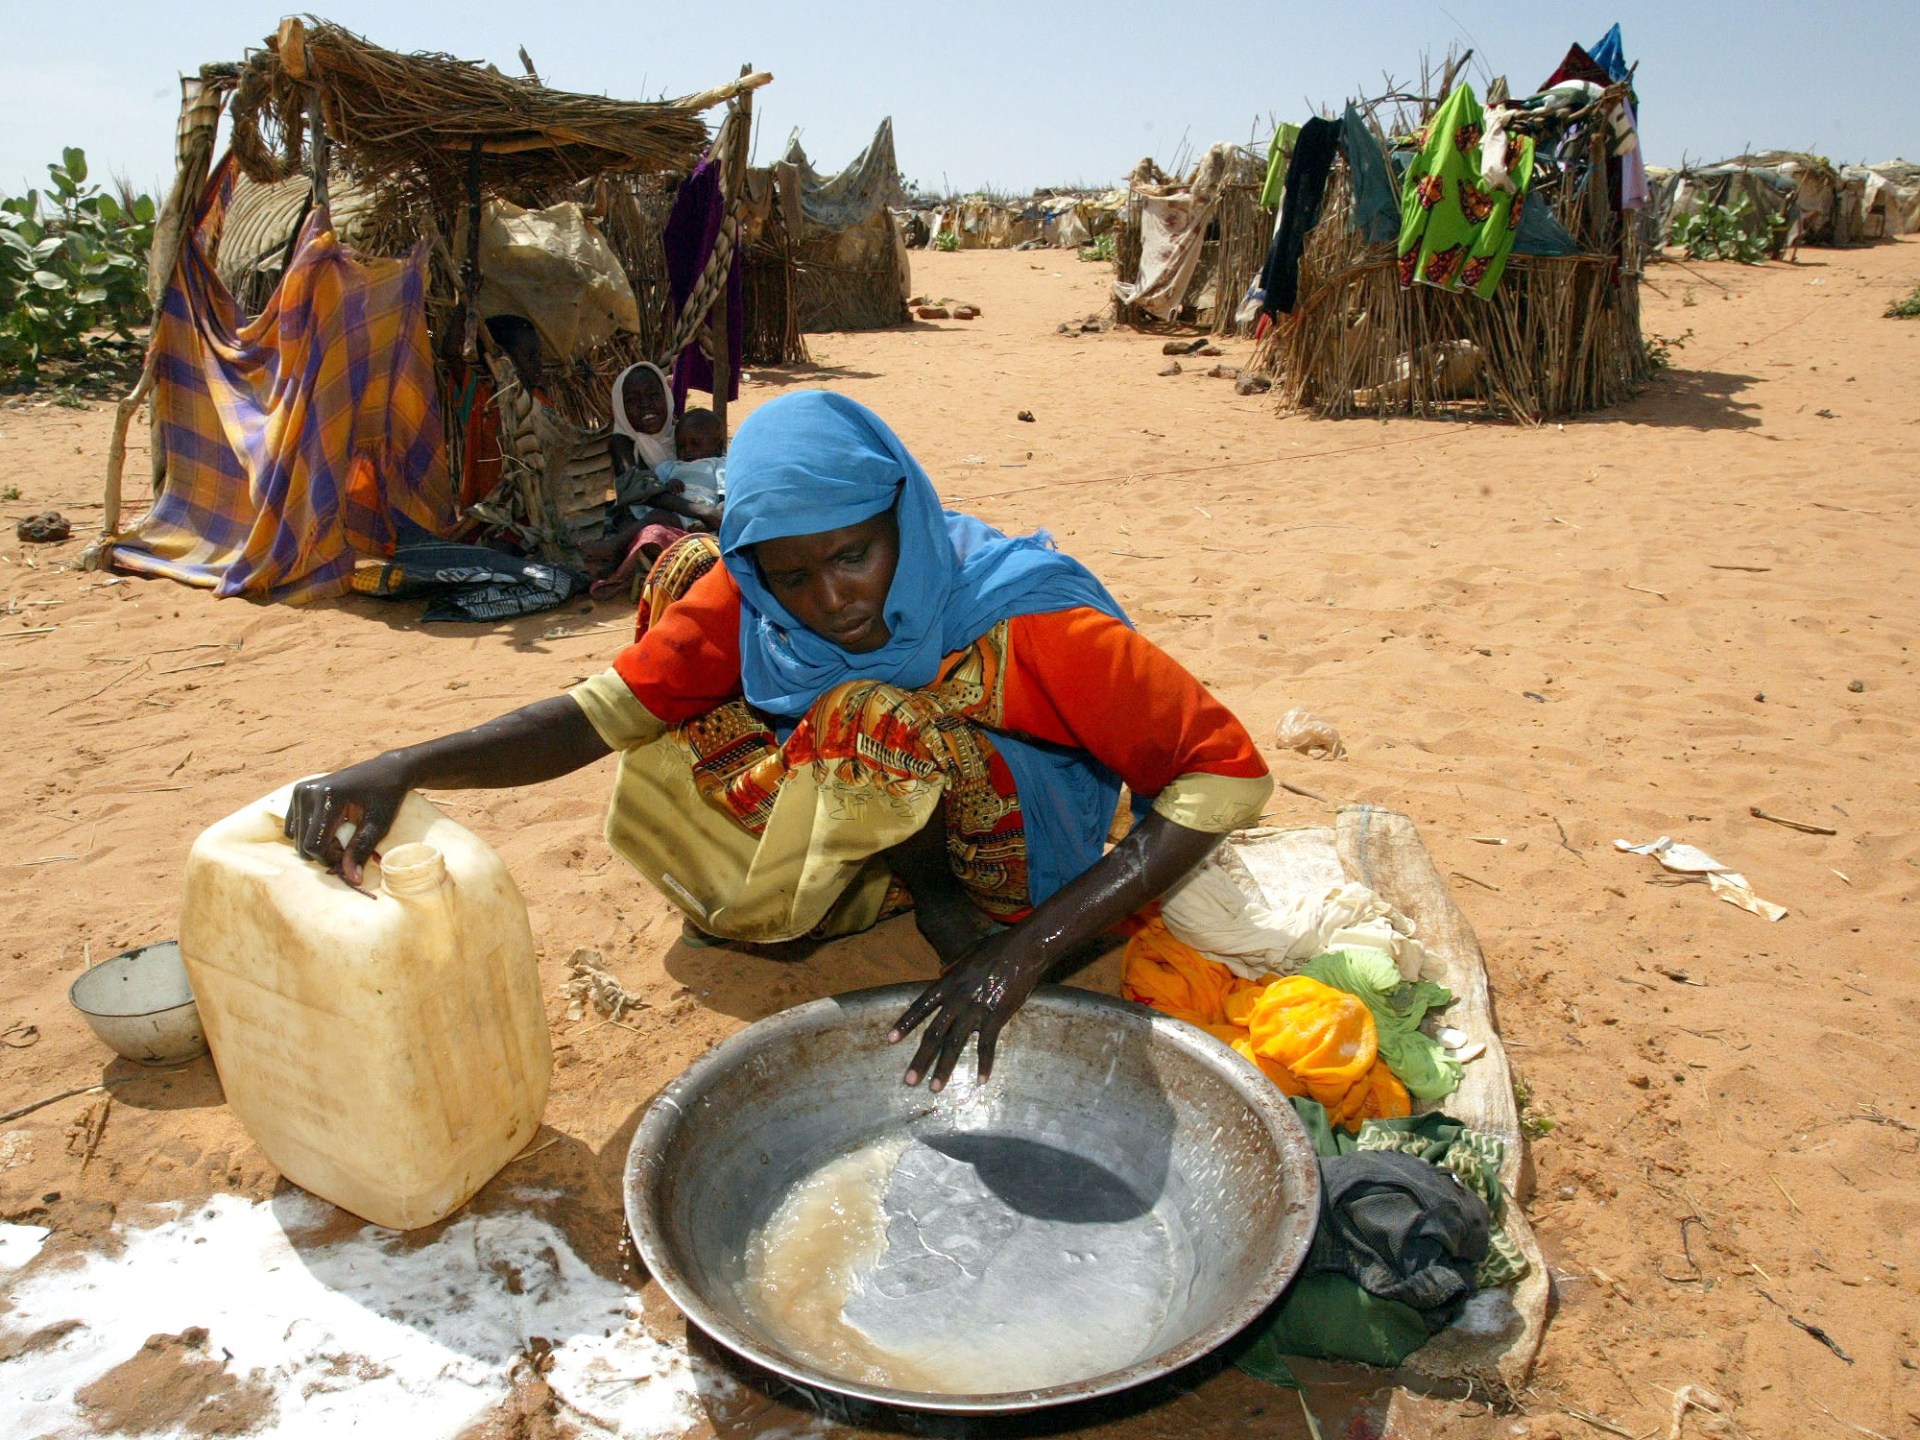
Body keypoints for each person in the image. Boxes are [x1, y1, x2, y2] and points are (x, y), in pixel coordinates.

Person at [289, 392, 1273, 1090]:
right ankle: (892, 881)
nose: (830, 598)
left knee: (866, 718)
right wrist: (407, 764)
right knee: (681, 571)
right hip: (895, 807)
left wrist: (1019, 957)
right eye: (793, 576)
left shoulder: (1029, 623)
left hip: (1024, 842)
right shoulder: (757, 585)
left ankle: (948, 908)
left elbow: (1221, 779)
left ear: (902, 513)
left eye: (853, 555)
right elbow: (593, 717)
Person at [588, 408, 727, 600]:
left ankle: (617, 547)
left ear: (717, 444)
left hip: (707, 520)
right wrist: (668, 486)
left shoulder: (719, 465)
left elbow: (724, 496)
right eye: (681, 446)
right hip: (677, 519)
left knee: (722, 517)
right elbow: (652, 491)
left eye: (695, 444)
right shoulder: (670, 467)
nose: (687, 451)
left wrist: (715, 513)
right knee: (654, 523)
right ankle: (616, 546)